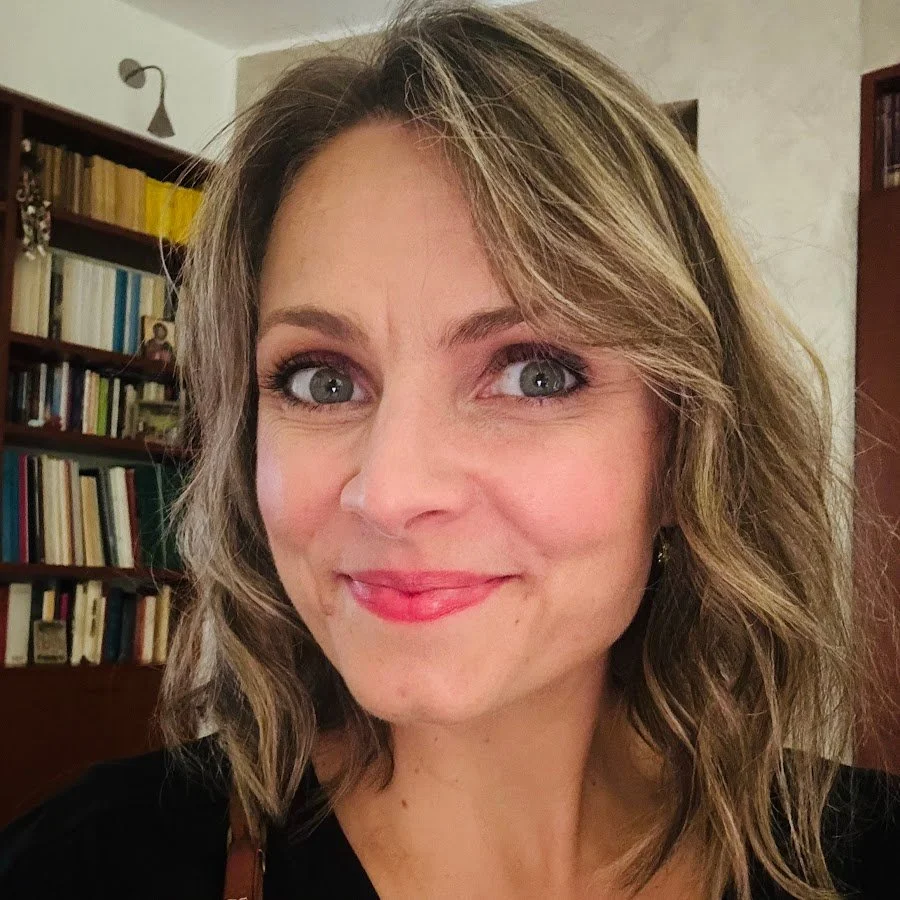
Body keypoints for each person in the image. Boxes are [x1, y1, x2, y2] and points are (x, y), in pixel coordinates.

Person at [1, 1, 898, 898]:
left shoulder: (870, 855)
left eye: (535, 374)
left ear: (687, 444)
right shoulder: (81, 866)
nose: (390, 492)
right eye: (322, 379)